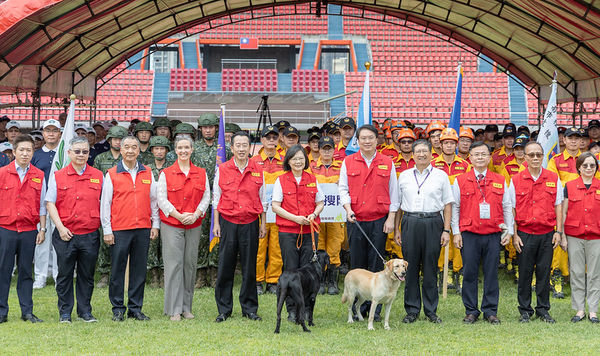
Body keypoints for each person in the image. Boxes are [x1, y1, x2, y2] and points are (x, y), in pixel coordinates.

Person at [339, 124, 398, 321]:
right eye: (363, 138)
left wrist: (390, 218)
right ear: (357, 140)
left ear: (376, 140)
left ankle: (376, 309)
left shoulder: (387, 162)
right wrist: (348, 209)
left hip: (379, 221)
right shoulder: (348, 161)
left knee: (377, 264)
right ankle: (357, 309)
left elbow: (394, 193)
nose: (367, 141)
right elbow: (343, 189)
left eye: (370, 138)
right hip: (356, 220)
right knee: (358, 264)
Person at [452, 141, 513, 324]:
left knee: (491, 273)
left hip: (493, 234)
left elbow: (507, 206)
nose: (480, 158)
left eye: (483, 154)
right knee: (469, 273)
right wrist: (456, 232)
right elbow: (455, 207)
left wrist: (508, 230)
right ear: (470, 158)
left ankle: (490, 311)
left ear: (489, 157)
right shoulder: (460, 180)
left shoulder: (500, 180)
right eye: (476, 154)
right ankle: (471, 311)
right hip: (469, 234)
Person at [100, 136, 159, 321]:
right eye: (127, 147)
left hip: (142, 227)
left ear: (139, 150)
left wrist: (155, 224)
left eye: (134, 147)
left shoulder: (148, 172)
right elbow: (105, 204)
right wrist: (107, 230)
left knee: (139, 270)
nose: (131, 150)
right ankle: (118, 308)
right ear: (121, 149)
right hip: (120, 229)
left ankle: (135, 308)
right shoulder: (111, 173)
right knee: (117, 270)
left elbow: (154, 201)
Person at [46, 137, 103, 323]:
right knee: (64, 275)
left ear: (89, 153)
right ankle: (65, 312)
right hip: (65, 234)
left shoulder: (98, 175)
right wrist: (60, 228)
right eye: (77, 151)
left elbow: (105, 203)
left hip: (89, 234)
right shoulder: (57, 175)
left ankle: (85, 311)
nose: (81, 155)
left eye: (84, 151)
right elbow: (50, 203)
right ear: (69, 153)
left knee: (86, 275)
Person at [396, 139, 453, 324]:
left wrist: (446, 230)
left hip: (433, 222)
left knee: (430, 268)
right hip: (410, 222)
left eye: (424, 151)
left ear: (431, 154)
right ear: (412, 154)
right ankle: (412, 310)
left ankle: (431, 311)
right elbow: (397, 205)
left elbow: (447, 204)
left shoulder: (441, 176)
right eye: (418, 151)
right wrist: (397, 229)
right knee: (409, 268)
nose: (421, 154)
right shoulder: (403, 176)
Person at [213, 131, 267, 322]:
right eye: (238, 145)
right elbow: (216, 198)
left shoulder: (258, 169)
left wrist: (263, 223)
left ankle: (250, 308)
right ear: (232, 147)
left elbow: (263, 199)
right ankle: (224, 309)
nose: (242, 149)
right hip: (228, 222)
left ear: (249, 146)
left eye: (245, 145)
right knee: (225, 266)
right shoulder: (223, 169)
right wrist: (216, 224)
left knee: (249, 267)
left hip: (251, 223)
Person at [157, 136, 210, 321]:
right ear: (175, 150)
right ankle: (174, 309)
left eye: (187, 147)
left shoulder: (201, 173)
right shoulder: (166, 173)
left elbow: (206, 197)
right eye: (180, 147)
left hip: (193, 223)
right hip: (172, 224)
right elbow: (161, 199)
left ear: (192, 149)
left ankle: (187, 307)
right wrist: (178, 215)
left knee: (189, 264)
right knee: (174, 265)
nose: (184, 150)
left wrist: (196, 214)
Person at [509, 141, 563, 323]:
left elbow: (558, 206)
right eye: (531, 155)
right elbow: (512, 209)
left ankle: (543, 309)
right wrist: (514, 235)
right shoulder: (515, 180)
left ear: (543, 157)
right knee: (524, 274)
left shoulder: (553, 178)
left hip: (547, 233)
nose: (535, 158)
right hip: (524, 234)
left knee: (544, 273)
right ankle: (525, 310)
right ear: (524, 157)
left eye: (538, 154)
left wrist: (559, 231)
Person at [272, 144, 325, 321]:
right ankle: (292, 310)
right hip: (288, 232)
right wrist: (295, 218)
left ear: (306, 160)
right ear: (288, 160)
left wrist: (314, 214)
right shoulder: (281, 180)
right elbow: (275, 206)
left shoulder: (312, 178)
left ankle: (307, 310)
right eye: (294, 158)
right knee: (291, 270)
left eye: (301, 158)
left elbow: (320, 202)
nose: (298, 162)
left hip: (309, 232)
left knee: (308, 271)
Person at [0, 135, 46, 324]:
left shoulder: (39, 175)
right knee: (3, 271)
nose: (25, 153)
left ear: (33, 152)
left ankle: (27, 311)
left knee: (26, 272)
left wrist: (42, 229)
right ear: (14, 152)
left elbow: (43, 204)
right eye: (22, 150)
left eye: (29, 150)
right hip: (6, 229)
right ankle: (2, 312)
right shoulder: (2, 173)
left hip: (29, 230)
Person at [432, 128, 471, 294]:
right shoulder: (432, 165)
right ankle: (444, 272)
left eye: (452, 143)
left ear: (456, 145)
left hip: (460, 209)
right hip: (439, 209)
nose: (449, 146)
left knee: (459, 240)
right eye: (446, 143)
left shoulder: (465, 165)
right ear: (440, 145)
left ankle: (459, 273)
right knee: (442, 241)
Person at [562, 152, 600, 323]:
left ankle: (593, 310)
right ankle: (579, 309)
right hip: (574, 235)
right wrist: (562, 236)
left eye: (592, 165)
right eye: (585, 165)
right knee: (577, 273)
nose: (589, 168)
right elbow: (563, 212)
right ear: (579, 167)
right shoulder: (569, 186)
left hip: (596, 236)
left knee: (595, 274)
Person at [547, 127, 582, 298]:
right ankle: (557, 276)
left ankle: (582, 279)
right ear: (564, 140)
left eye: (577, 138)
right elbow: (554, 184)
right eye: (570, 138)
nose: (574, 141)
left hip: (584, 207)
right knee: (559, 240)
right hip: (563, 207)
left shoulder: (589, 159)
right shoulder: (555, 160)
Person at [251, 125, 286, 295]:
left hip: (279, 211)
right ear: (262, 140)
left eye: (274, 137)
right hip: (259, 212)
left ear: (278, 139)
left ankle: (273, 280)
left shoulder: (285, 160)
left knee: (276, 248)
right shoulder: (254, 161)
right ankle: (257, 280)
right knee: (259, 247)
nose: (271, 140)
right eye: (268, 137)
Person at [94, 125, 128, 288]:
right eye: (115, 139)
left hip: (124, 206)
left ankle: (119, 272)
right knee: (105, 240)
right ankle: (104, 273)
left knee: (122, 242)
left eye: (121, 139)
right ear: (109, 140)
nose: (118, 142)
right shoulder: (100, 159)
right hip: (105, 204)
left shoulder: (128, 159)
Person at [309, 136, 344, 294]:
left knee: (335, 246)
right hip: (319, 215)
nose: (327, 151)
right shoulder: (311, 167)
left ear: (334, 149)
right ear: (319, 150)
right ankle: (320, 281)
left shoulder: (342, 167)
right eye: (324, 148)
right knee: (319, 246)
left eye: (330, 148)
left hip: (336, 216)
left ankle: (333, 282)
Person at [31, 119, 62, 289]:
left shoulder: (65, 153)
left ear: (60, 133)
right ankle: (40, 276)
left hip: (60, 205)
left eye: (54, 130)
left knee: (59, 242)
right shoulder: (36, 155)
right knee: (41, 241)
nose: (51, 133)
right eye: (48, 130)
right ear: (43, 133)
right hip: (40, 205)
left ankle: (59, 275)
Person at [146, 135, 172, 287]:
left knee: (166, 244)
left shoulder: (171, 168)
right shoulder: (146, 169)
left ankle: (164, 274)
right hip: (150, 212)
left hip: (168, 212)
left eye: (162, 148)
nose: (160, 152)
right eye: (156, 148)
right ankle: (153, 276)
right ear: (152, 150)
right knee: (152, 244)